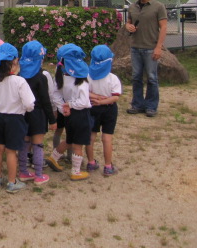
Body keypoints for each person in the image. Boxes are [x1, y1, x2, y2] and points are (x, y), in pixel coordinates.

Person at [0, 43, 35, 193]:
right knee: (11, 151)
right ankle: (12, 182)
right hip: (14, 119)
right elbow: (29, 104)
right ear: (14, 62)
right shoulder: (20, 82)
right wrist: (25, 108)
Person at [45, 44, 92, 181]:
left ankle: (53, 158)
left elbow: (55, 95)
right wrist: (70, 105)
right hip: (81, 115)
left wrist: (63, 108)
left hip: (68, 115)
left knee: (70, 139)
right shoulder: (81, 81)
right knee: (78, 144)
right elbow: (83, 102)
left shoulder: (61, 77)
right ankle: (75, 171)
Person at [125, 0, 167, 117]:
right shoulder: (132, 7)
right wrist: (128, 26)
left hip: (150, 47)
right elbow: (128, 22)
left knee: (151, 78)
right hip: (135, 47)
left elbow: (163, 27)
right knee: (136, 77)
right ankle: (137, 104)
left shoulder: (158, 7)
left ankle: (151, 106)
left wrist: (158, 47)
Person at [18, 41, 56, 186]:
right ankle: (39, 174)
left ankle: (23, 171)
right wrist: (52, 120)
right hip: (38, 114)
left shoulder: (20, 74)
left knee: (25, 142)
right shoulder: (41, 77)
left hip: (23, 113)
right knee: (38, 144)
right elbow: (46, 100)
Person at [86, 45, 121, 176]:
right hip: (109, 109)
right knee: (107, 137)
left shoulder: (88, 76)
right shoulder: (113, 78)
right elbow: (115, 97)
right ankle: (108, 166)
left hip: (92, 107)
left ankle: (90, 162)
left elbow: (85, 92)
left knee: (91, 135)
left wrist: (96, 100)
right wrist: (102, 101)